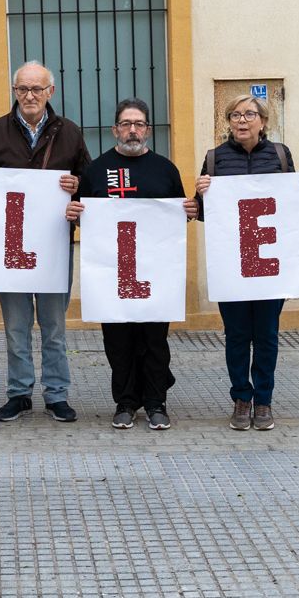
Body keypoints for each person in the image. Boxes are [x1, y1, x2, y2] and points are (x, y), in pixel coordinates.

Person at [0, 62, 90, 424]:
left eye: (36, 89)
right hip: (8, 249)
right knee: (15, 328)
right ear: (14, 91)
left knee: (53, 327)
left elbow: (88, 183)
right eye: (22, 89)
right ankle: (19, 393)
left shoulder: (70, 133)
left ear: (51, 92)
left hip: (53, 247)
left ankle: (57, 394)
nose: (29, 96)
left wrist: (77, 186)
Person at [68, 98, 198, 430]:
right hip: (112, 274)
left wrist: (187, 212)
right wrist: (73, 214)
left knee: (154, 341)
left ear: (148, 131)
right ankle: (125, 402)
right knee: (118, 341)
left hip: (154, 274)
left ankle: (156, 403)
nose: (132, 130)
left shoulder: (165, 169)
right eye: (126, 124)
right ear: (115, 130)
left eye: (138, 124)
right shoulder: (95, 170)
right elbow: (82, 217)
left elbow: (176, 222)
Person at [193, 94, 299, 431]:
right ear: (228, 122)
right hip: (232, 264)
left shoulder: (279, 154)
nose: (242, 120)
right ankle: (240, 398)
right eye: (235, 115)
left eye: (249, 114)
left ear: (263, 121)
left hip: (268, 265)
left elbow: (290, 207)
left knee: (266, 335)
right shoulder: (214, 158)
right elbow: (203, 214)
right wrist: (199, 192)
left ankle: (264, 400)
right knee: (236, 335)